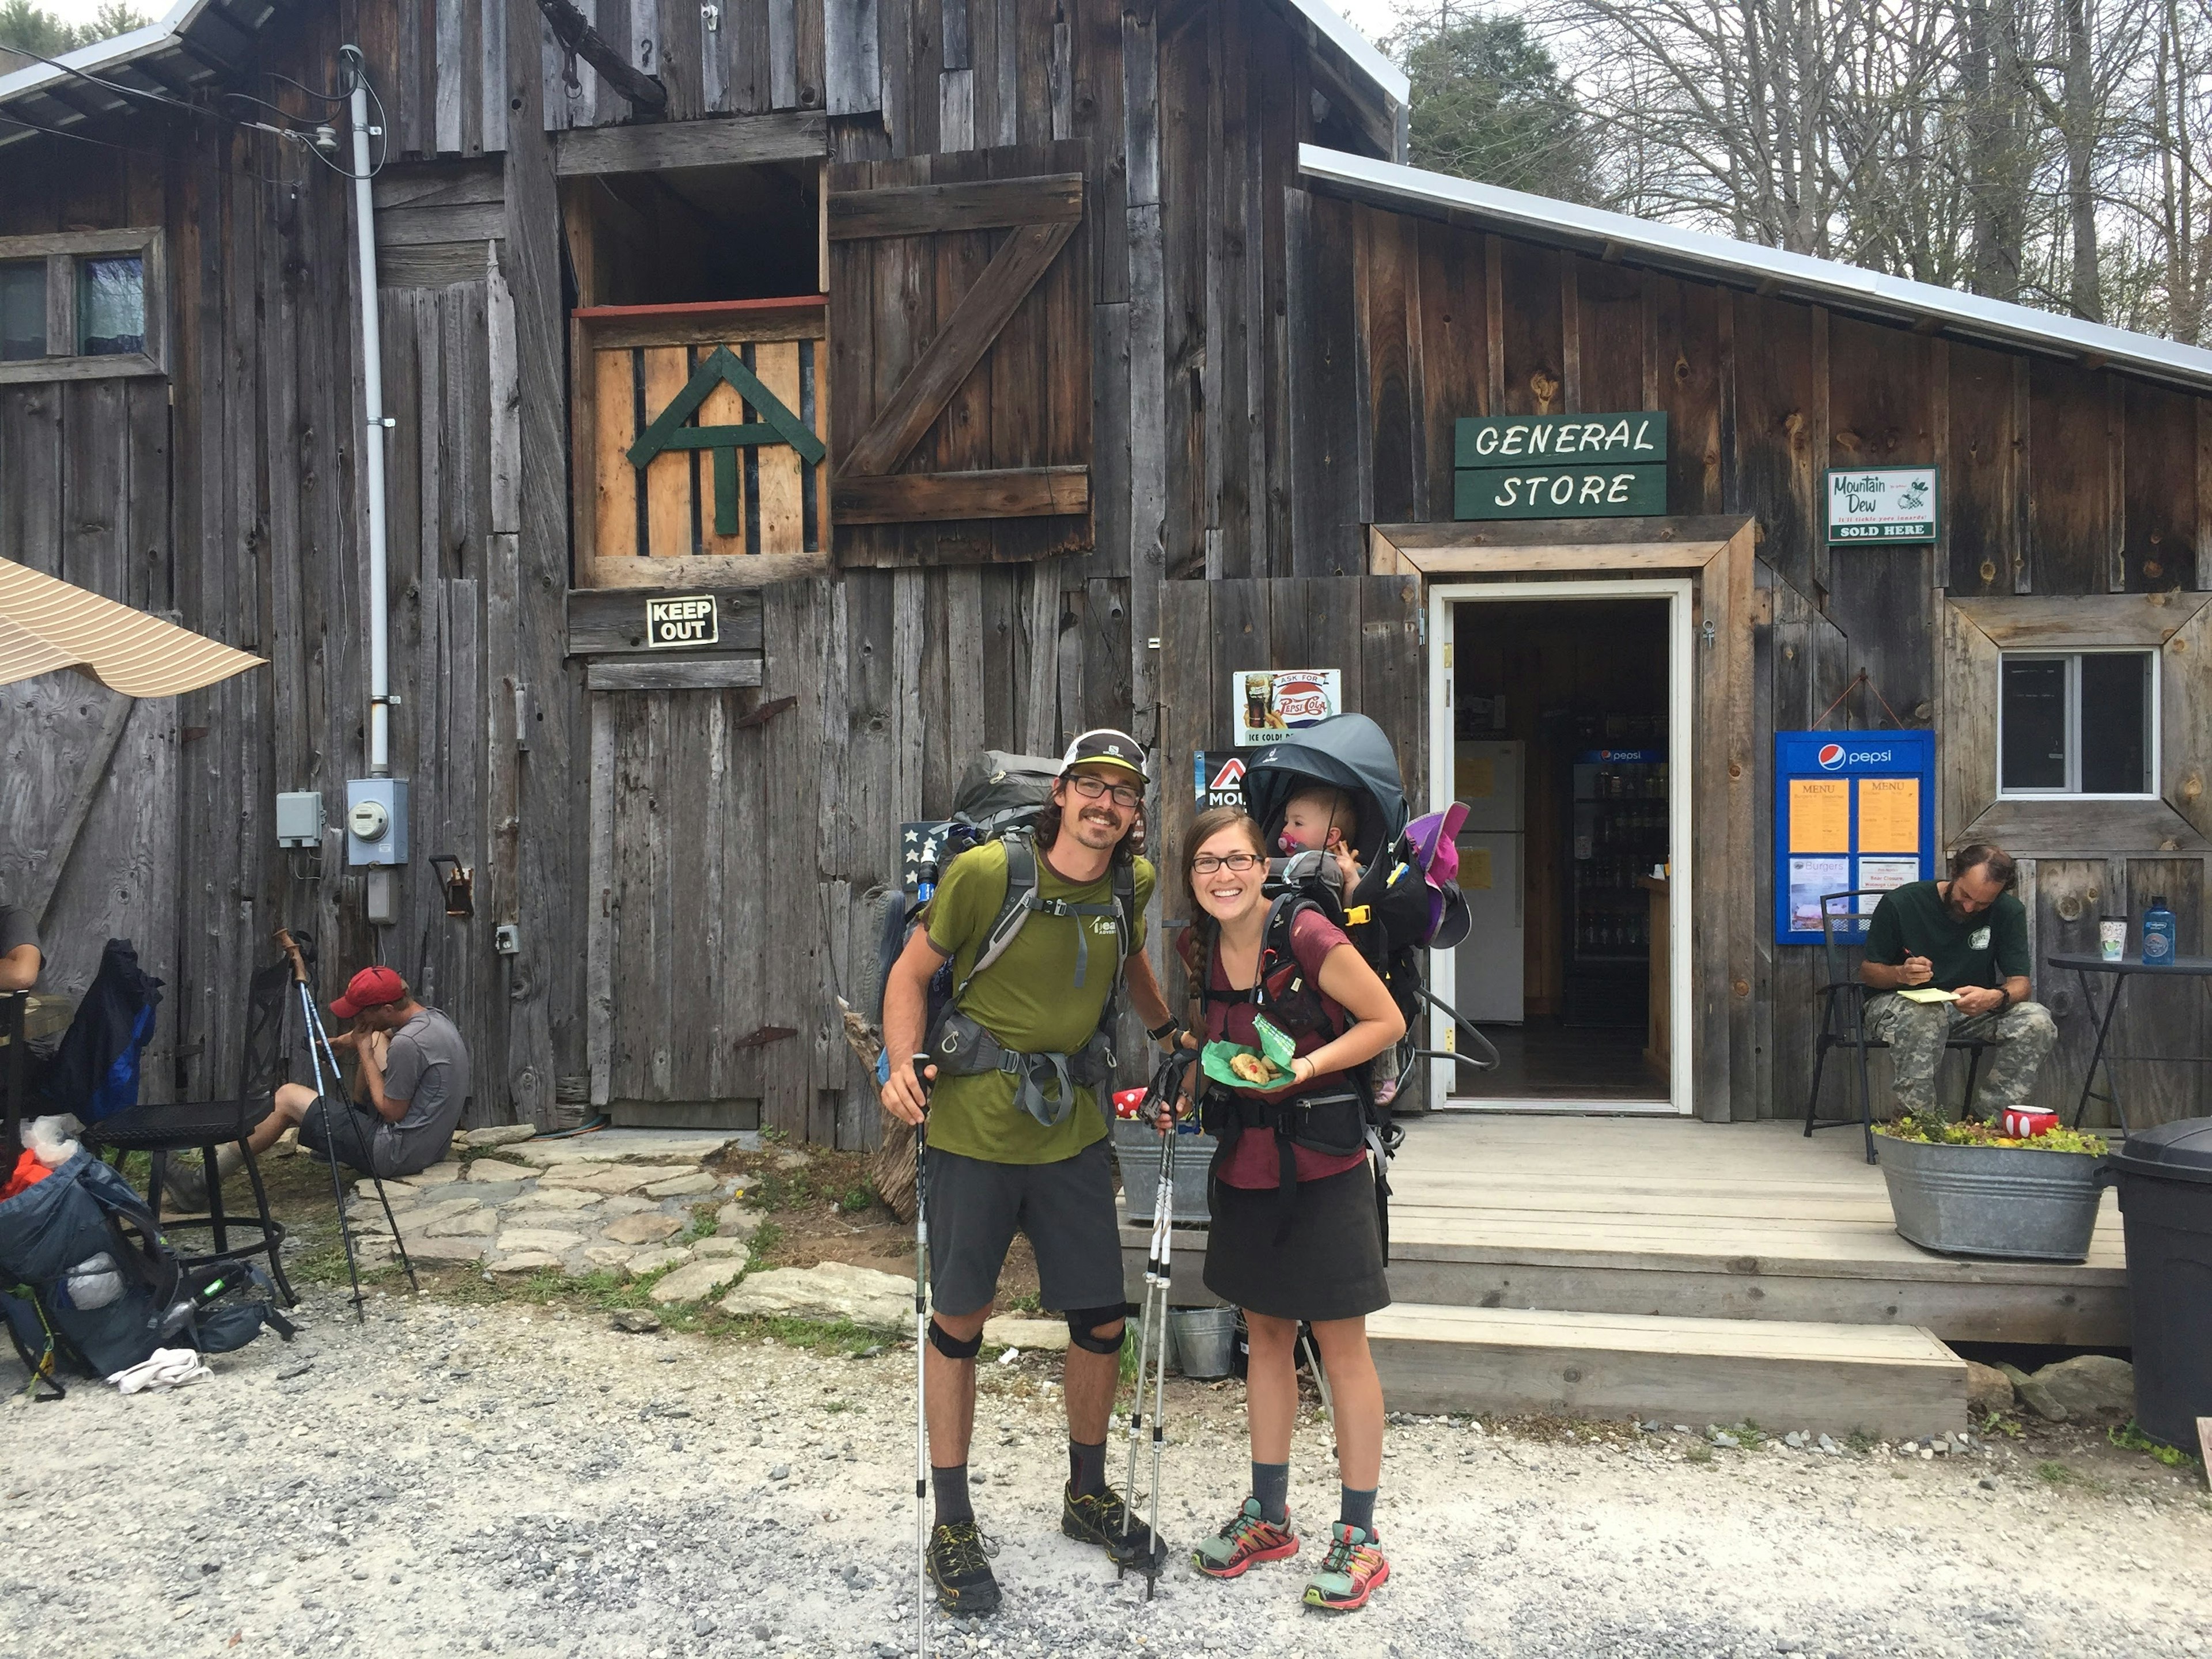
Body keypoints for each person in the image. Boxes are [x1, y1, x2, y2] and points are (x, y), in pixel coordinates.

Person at [878, 729, 1188, 1616]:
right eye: (1089, 785)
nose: (1105, 803)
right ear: (1059, 796)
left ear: (1135, 812)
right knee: (961, 1318)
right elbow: (912, 971)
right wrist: (898, 1065)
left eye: (1122, 793)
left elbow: (1130, 963)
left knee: (1098, 1317)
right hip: (974, 1125)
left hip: (1075, 1131)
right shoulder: (990, 875)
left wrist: (1169, 1036)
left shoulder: (1132, 883)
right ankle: (953, 1519)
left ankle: (1085, 1494)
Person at [1177, 805, 1406, 1613]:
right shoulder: (1199, 947)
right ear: (1192, 875)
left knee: (1341, 1348)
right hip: (1246, 1167)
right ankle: (1270, 1516)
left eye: (1236, 859)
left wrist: (1302, 1069)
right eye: (1207, 863)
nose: (1224, 876)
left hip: (1327, 1164)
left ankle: (1360, 1537)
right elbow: (1217, 1047)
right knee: (1266, 1338)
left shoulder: (1304, 932)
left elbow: (1386, 1020)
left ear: (1261, 864)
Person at [169, 967, 470, 1210]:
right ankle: (348, 1129)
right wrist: (339, 1044)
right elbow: (381, 1032)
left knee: (287, 1097)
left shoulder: (409, 1044)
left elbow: (392, 1112)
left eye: (361, 1014)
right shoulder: (431, 1019)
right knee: (378, 1038)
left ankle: (200, 1184)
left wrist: (364, 1052)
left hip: (394, 1153)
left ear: (388, 1008)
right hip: (429, 1146)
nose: (356, 1019)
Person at [1860, 843, 2056, 1123]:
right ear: (1954, 873)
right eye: (1965, 895)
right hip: (1901, 1003)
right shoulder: (1902, 903)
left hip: (1968, 1008)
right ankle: (1917, 1124)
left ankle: (1987, 1122)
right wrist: (1900, 974)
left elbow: (2021, 985)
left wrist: (1996, 997)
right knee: (1924, 1016)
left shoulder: (2008, 911)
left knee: (2037, 1021)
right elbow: (1868, 972)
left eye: (1982, 904)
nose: (1969, 907)